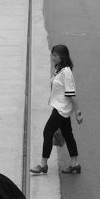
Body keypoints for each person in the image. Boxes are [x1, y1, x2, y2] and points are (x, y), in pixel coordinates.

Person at [30, 44, 83, 175]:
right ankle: (75, 164)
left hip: (62, 109)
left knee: (47, 132)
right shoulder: (59, 69)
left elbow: (72, 93)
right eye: (52, 55)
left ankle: (43, 164)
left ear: (62, 56)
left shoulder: (66, 73)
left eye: (55, 55)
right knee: (68, 135)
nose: (52, 57)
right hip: (60, 107)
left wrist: (78, 112)